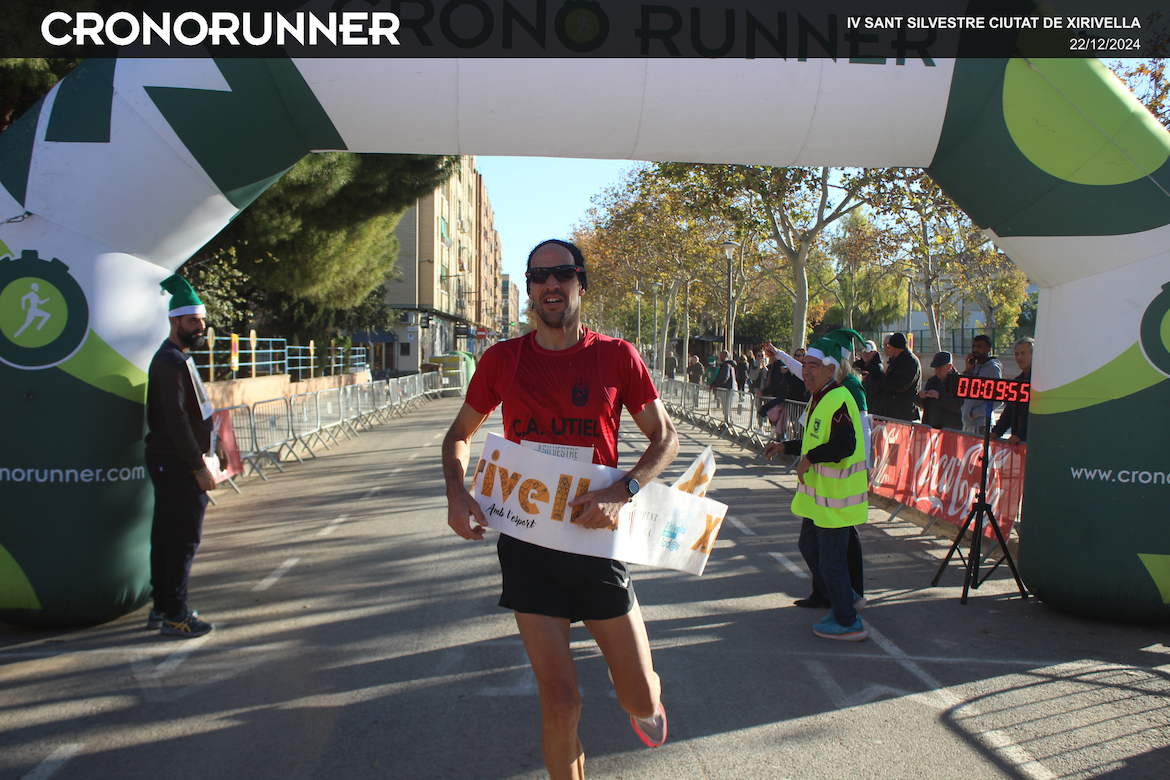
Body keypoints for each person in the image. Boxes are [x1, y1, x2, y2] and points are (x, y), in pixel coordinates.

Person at [442, 239, 679, 779]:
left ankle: (646, 694)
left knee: (639, 698)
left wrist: (624, 490)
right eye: (539, 276)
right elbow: (458, 435)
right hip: (528, 547)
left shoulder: (616, 356)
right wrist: (456, 490)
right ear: (529, 289)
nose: (551, 284)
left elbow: (665, 438)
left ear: (580, 285)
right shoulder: (502, 360)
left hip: (595, 544)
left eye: (563, 274)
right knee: (561, 704)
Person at [763, 335, 869, 641]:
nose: (805, 371)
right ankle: (844, 597)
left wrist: (809, 459)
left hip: (835, 498)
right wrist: (786, 447)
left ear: (831, 369)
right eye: (804, 364)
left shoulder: (839, 398)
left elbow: (844, 445)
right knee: (809, 546)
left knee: (831, 560)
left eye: (812, 365)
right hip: (819, 497)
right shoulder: (819, 396)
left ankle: (848, 621)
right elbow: (815, 441)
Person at [144, 275, 217, 638]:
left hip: (171, 461)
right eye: (192, 321)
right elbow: (176, 421)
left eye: (202, 320)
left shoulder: (178, 358)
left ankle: (162, 606)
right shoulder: (171, 362)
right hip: (176, 463)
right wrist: (197, 466)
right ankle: (176, 614)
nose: (200, 327)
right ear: (174, 321)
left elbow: (192, 413)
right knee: (182, 540)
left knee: (166, 535)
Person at [992, 337, 1033, 444]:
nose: (1019, 357)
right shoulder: (1017, 381)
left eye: (1023, 353)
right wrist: (996, 432)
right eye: (1016, 354)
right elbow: (1009, 411)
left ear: (1034, 354)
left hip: (1034, 442)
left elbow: (1037, 415)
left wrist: (1020, 435)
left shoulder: (1041, 382)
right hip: (1018, 444)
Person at [961, 334, 1003, 435]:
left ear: (988, 349)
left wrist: (975, 414)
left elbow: (998, 400)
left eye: (979, 346)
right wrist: (968, 370)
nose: (975, 349)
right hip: (968, 424)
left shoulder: (993, 369)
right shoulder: (973, 366)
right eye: (974, 346)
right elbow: (963, 390)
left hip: (981, 424)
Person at [875, 333, 921, 422]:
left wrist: (880, 378)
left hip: (903, 413)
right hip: (891, 412)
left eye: (889, 346)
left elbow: (901, 386)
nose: (887, 349)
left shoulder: (910, 361)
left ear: (894, 347)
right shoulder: (896, 360)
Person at [915, 352, 963, 430]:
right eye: (936, 369)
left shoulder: (959, 382)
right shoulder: (933, 381)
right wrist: (921, 397)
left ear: (950, 367)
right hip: (931, 427)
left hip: (950, 428)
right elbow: (924, 405)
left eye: (940, 368)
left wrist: (939, 397)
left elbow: (959, 407)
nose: (937, 371)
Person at [854, 339, 884, 415]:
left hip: (872, 407)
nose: (865, 353)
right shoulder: (857, 366)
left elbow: (874, 389)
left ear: (875, 352)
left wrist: (865, 380)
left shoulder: (877, 369)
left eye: (869, 351)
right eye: (863, 350)